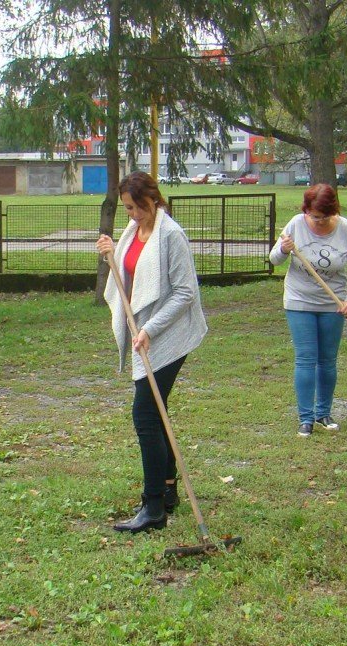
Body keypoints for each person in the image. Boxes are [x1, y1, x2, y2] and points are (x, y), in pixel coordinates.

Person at [95, 172, 208, 533]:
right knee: (157, 414)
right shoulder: (133, 231)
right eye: (126, 208)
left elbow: (185, 293)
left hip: (169, 335)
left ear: (150, 200)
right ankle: (169, 489)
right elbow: (129, 273)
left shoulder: (171, 235)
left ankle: (154, 506)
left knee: (145, 414)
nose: (130, 215)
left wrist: (150, 329)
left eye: (134, 208)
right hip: (144, 332)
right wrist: (112, 254)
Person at [268, 183, 347, 437]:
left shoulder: (345, 228)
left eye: (325, 217)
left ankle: (324, 412)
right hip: (299, 300)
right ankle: (306, 418)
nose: (320, 222)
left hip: (333, 303)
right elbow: (274, 259)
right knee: (306, 357)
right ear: (306, 211)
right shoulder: (295, 225)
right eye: (315, 217)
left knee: (327, 359)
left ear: (334, 211)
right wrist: (283, 249)